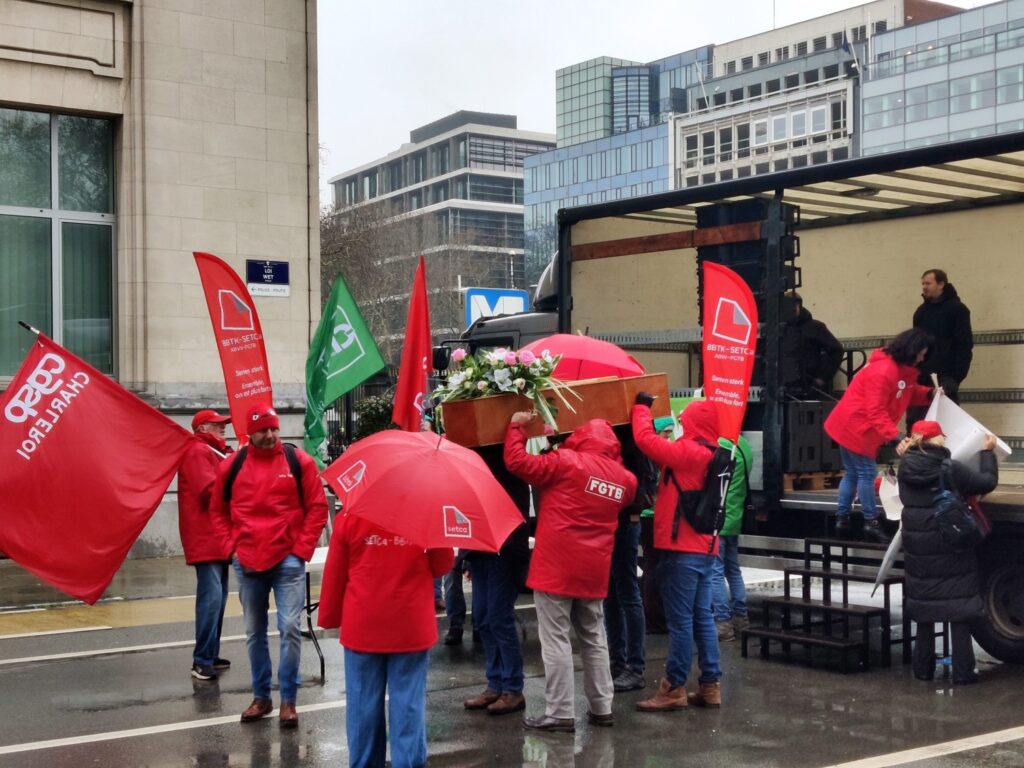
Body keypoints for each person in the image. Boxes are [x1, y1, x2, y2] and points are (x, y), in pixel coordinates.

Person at [504, 413, 637, 732]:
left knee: (556, 639)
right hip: (594, 569)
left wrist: (516, 427)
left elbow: (518, 462)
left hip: (557, 567)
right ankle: (602, 707)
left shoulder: (565, 462)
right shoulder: (625, 480)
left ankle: (561, 711)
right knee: (594, 636)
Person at [210, 403, 328, 728]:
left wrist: (301, 550)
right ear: (250, 433)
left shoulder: (298, 461)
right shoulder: (231, 466)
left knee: (289, 628)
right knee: (254, 632)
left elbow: (317, 507)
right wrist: (231, 550)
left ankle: (288, 700)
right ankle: (261, 697)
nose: (271, 434)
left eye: (274, 428)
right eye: (263, 429)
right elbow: (217, 512)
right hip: (247, 560)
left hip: (288, 559)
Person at [318, 512, 454, 767]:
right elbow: (442, 564)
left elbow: (336, 571)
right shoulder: (425, 513)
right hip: (410, 622)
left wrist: (329, 616)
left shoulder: (352, 514)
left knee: (362, 708)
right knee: (408, 705)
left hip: (364, 621)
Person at [631, 397, 723, 712]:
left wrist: (641, 408)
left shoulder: (689, 452)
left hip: (682, 549)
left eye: (685, 419)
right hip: (706, 548)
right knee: (703, 618)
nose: (682, 424)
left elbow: (645, 440)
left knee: (681, 622)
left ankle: (673, 688)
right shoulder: (714, 453)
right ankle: (710, 686)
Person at [896, 420, 997, 684]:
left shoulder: (905, 467)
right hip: (949, 542)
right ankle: (963, 673)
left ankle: (923, 670)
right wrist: (987, 453)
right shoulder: (948, 467)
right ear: (937, 439)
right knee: (958, 608)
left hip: (918, 545)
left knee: (925, 608)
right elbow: (987, 482)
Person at [823, 328, 934, 542]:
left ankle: (842, 519)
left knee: (852, 473)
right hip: (858, 427)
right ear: (912, 350)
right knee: (866, 473)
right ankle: (870, 521)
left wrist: (928, 394)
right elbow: (876, 410)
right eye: (921, 354)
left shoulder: (894, 369)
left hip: (849, 424)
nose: (922, 358)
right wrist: (896, 435)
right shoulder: (885, 371)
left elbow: (906, 392)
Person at [461, 444, 531, 716]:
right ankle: (496, 683)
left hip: (505, 551)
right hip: (482, 551)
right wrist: (467, 556)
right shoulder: (478, 466)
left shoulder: (510, 467)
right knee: (482, 618)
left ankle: (512, 688)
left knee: (498, 619)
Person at [178, 409, 234, 681]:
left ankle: (210, 654)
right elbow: (209, 490)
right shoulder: (198, 451)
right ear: (202, 428)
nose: (223, 427)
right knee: (212, 599)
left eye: (223, 424)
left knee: (218, 598)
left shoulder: (214, 451)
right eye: (217, 424)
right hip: (206, 536)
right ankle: (201, 660)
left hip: (215, 537)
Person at [606, 425, 657, 692]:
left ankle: (633, 667)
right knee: (612, 592)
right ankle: (619, 661)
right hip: (618, 517)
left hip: (626, 517)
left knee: (624, 592)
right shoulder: (629, 433)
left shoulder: (630, 436)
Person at [910, 269, 973, 418]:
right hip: (922, 375)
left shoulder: (958, 310)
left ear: (941, 284)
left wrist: (955, 378)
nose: (924, 287)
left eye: (928, 283)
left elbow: (964, 346)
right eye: (923, 284)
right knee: (916, 421)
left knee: (945, 420)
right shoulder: (921, 312)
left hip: (946, 376)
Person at [712, 433, 753, 642]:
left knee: (715, 573)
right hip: (735, 517)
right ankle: (741, 619)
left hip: (718, 518)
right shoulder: (744, 445)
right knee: (733, 571)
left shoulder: (720, 445)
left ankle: (723, 624)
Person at [639, 416, 676, 634]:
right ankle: (654, 618)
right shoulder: (651, 455)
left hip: (657, 515)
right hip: (650, 516)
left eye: (670, 434)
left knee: (656, 566)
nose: (668, 438)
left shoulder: (658, 453)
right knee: (654, 566)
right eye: (665, 433)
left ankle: (655, 615)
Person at [782, 292, 844, 396]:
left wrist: (822, 377)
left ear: (799, 306)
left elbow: (836, 350)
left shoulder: (815, 327)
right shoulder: (780, 329)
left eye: (793, 306)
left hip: (810, 385)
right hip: (784, 386)